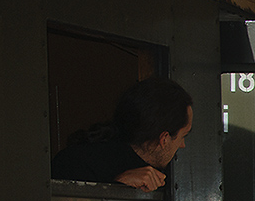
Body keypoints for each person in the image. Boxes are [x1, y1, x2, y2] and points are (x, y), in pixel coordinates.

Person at [50, 77, 193, 192]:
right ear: (164, 139)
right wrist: (117, 187)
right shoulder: (76, 164)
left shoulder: (164, 178)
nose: (182, 145)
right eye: (183, 136)